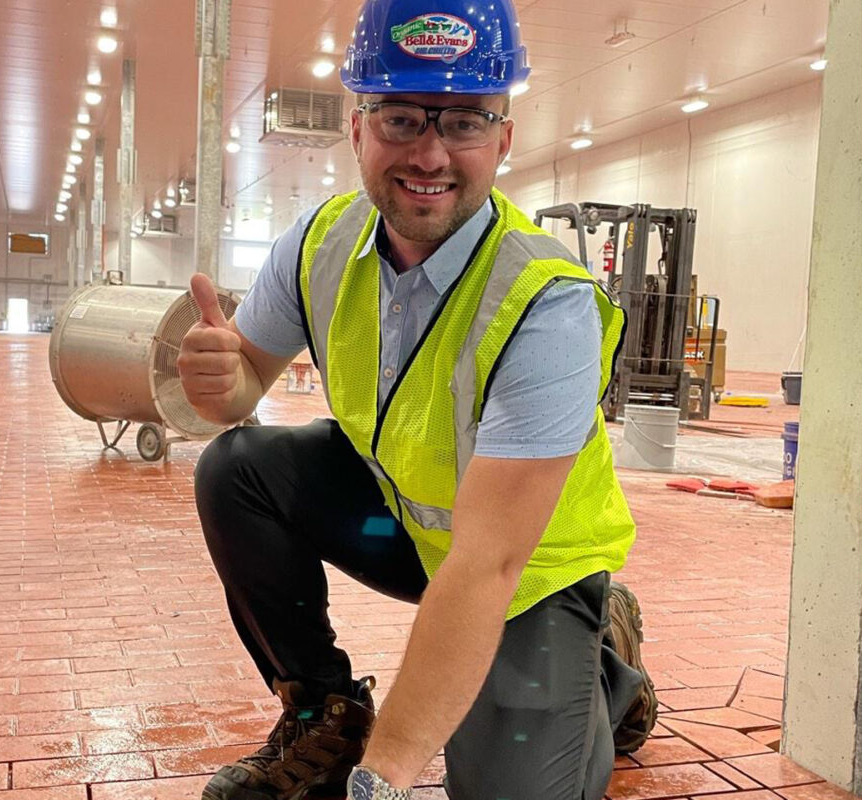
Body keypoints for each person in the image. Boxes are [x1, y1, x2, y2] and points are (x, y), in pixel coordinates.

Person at [178, 1, 657, 797]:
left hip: (526, 565)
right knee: (238, 467)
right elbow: (242, 393)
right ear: (357, 125)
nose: (430, 153)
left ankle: (604, 664)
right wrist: (216, 382)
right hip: (401, 524)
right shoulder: (318, 243)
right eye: (401, 117)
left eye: (464, 121)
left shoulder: (547, 304)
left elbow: (489, 561)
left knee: (507, 787)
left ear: (503, 137)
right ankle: (322, 716)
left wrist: (386, 777)